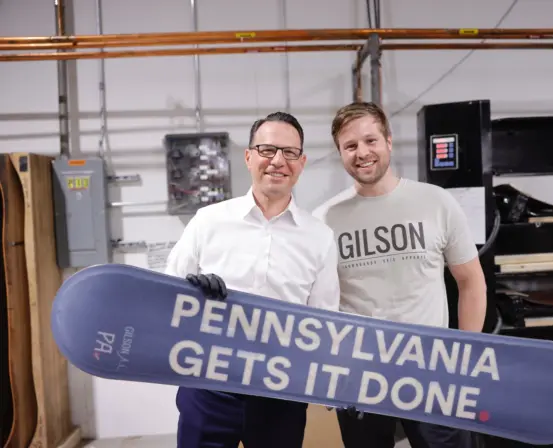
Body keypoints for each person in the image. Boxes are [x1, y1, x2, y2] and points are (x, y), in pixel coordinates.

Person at [312, 101, 487, 448]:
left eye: (370, 140)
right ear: (340, 154)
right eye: (350, 146)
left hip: (432, 370)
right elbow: (318, 302)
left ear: (388, 141)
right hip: (359, 374)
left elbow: (470, 281)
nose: (362, 152)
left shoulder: (436, 202)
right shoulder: (323, 220)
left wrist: (466, 356)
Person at [164, 111, 341, 448]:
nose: (278, 161)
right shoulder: (208, 222)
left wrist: (337, 388)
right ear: (248, 157)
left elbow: (323, 321)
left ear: (301, 163)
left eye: (289, 152)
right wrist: (192, 290)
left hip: (281, 390)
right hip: (209, 386)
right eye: (266, 149)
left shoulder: (319, 237)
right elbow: (168, 294)